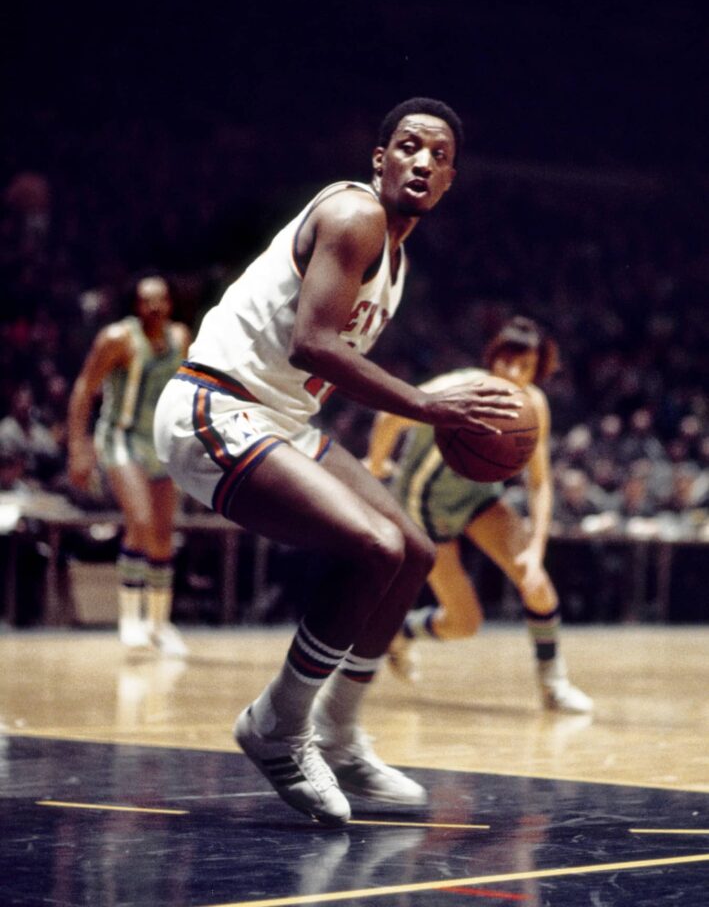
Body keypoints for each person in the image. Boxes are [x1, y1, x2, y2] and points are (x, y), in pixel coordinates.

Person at [154, 97, 522, 826]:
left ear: (450, 180)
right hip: (214, 407)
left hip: (280, 419)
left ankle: (339, 734)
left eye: (440, 156)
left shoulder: (397, 260)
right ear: (379, 159)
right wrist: (427, 407)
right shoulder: (354, 215)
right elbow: (313, 345)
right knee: (372, 546)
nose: (423, 162)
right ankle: (278, 725)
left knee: (412, 552)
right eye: (409, 146)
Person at [367, 316, 594, 714]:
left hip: (477, 499)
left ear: (537, 370)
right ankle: (400, 633)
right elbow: (388, 418)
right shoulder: (457, 388)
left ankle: (553, 686)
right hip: (425, 506)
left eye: (524, 366)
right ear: (492, 359)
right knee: (464, 624)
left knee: (536, 584)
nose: (513, 373)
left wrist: (536, 550)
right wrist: (375, 467)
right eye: (506, 361)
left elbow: (540, 483)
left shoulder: (533, 405)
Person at [68, 274, 191, 655]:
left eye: (160, 299)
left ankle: (158, 624)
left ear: (169, 303)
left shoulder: (180, 338)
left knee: (164, 534)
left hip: (160, 441)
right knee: (140, 521)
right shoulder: (117, 338)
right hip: (121, 438)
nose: (154, 307)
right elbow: (84, 388)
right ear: (136, 305)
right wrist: (78, 447)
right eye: (146, 300)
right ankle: (130, 619)